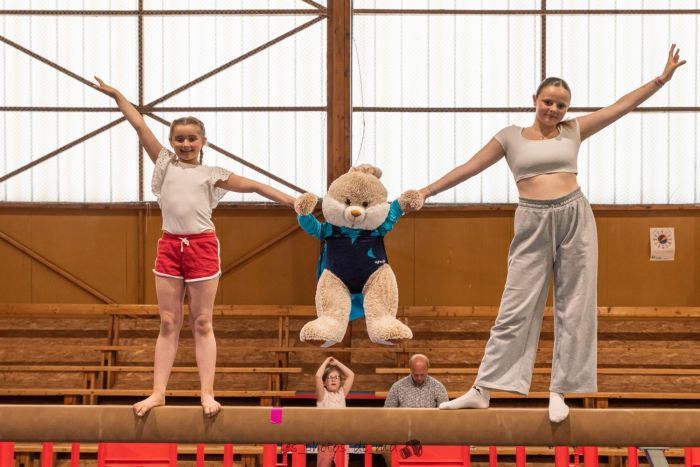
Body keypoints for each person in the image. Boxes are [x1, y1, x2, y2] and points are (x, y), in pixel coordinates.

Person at [418, 45, 686, 423]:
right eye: (548, 102)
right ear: (535, 99)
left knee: (574, 305)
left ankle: (559, 391)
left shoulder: (573, 130)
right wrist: (426, 192)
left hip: (574, 214)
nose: (554, 110)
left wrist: (660, 80)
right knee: (515, 306)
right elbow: (469, 167)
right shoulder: (511, 136)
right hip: (532, 221)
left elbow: (618, 108)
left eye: (561, 105)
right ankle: (482, 389)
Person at [94, 77, 296, 417]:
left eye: (192, 138)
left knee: (202, 322)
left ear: (203, 141)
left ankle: (207, 393)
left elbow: (257, 186)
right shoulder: (165, 164)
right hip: (170, 245)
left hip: (202, 246)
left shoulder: (211, 174)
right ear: (172, 142)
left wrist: (296, 201)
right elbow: (140, 125)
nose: (185, 143)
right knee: (168, 321)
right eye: (179, 138)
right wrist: (118, 96)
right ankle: (158, 392)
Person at [315, 356, 354, 467]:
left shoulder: (342, 393)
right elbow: (318, 376)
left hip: (341, 437)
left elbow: (351, 375)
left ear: (340, 381)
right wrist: (326, 361)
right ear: (324, 383)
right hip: (325, 438)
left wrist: (337, 363)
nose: (333, 380)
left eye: (336, 377)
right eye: (330, 378)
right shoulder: (322, 395)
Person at [384, 353, 449, 408]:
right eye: (416, 375)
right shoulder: (397, 387)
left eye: (422, 375)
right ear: (410, 370)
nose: (419, 378)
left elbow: (445, 412)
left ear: (427, 370)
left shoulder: (438, 387)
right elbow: (388, 411)